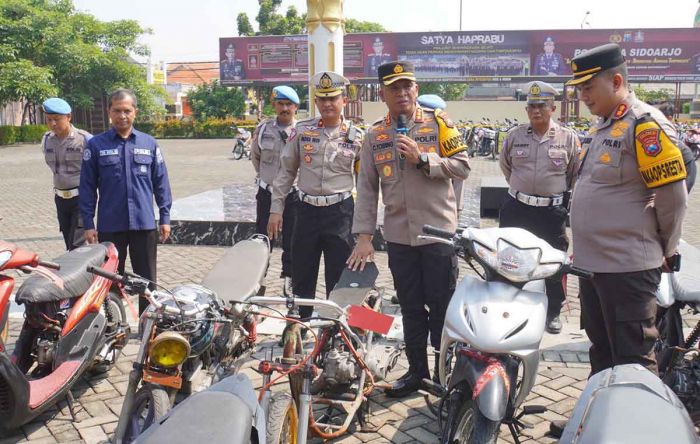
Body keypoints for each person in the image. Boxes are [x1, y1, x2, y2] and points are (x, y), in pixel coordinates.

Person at [348, 61, 471, 397]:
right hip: (400, 238)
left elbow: (462, 166)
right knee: (412, 308)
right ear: (383, 94)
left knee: (443, 306)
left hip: (437, 235)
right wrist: (363, 237)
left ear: (416, 90)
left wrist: (423, 159)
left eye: (408, 86)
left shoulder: (439, 123)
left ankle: (447, 376)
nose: (402, 93)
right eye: (394, 88)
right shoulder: (374, 135)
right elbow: (367, 189)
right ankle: (417, 373)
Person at [268, 72, 363, 320]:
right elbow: (286, 171)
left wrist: (366, 229)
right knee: (302, 273)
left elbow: (366, 184)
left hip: (340, 212)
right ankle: (300, 325)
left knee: (339, 276)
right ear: (316, 102)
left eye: (333, 98)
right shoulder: (302, 131)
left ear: (344, 99)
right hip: (306, 211)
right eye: (322, 99)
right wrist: (276, 209)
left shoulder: (357, 136)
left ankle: (336, 330)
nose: (327, 104)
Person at [80, 89, 173, 315]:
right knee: (109, 279)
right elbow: (87, 187)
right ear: (109, 112)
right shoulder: (96, 146)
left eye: (127, 111)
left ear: (135, 112)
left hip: (144, 224)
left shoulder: (149, 144)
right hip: (111, 225)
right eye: (117, 111)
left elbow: (161, 182)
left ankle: (147, 325)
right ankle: (112, 324)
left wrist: (165, 217)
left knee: (147, 280)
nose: (123, 115)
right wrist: (88, 223)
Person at [499, 81, 580, 334]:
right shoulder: (515, 136)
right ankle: (510, 307)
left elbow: (574, 173)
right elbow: (505, 167)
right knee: (510, 258)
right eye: (532, 106)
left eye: (542, 106)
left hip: (551, 212)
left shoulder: (568, 138)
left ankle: (553, 310)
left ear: (553, 108)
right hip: (518, 208)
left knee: (554, 261)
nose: (536, 111)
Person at [251, 86, 300, 296]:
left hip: (293, 196)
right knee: (262, 242)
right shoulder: (263, 130)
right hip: (267, 195)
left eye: (289, 104)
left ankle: (289, 287)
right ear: (275, 105)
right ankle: (256, 286)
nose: (285, 108)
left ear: (296, 107)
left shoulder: (303, 131)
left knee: (293, 243)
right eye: (281, 104)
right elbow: (256, 158)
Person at [41, 97, 91, 251]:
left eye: (57, 119)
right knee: (68, 241)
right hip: (61, 199)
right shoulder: (46, 140)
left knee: (76, 244)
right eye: (49, 120)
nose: (52, 124)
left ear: (69, 117)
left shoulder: (84, 139)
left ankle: (85, 273)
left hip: (80, 199)